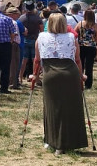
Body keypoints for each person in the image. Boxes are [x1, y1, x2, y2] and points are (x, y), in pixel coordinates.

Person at [33, 13, 87, 154]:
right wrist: (81, 76)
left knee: (52, 107)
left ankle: (52, 141)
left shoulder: (41, 37)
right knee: (71, 107)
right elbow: (78, 59)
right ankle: (69, 142)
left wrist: (34, 76)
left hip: (50, 74)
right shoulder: (71, 37)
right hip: (70, 74)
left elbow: (37, 60)